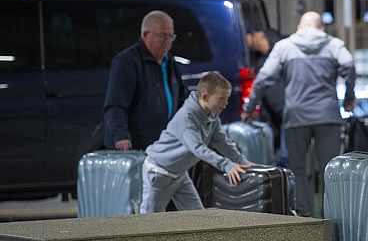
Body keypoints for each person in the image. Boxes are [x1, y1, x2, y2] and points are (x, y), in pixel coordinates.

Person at [242, 11, 356, 217]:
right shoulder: (334, 45)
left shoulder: (285, 46)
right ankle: (331, 216)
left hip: (296, 117)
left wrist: (249, 109)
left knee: (298, 169)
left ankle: (304, 216)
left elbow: (262, 80)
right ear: (321, 28)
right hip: (327, 116)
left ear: (298, 28)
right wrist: (349, 96)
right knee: (329, 170)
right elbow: (348, 65)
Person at [141, 72, 253, 213]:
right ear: (205, 97)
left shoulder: (211, 116)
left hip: (179, 174)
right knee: (149, 222)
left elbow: (222, 142)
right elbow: (198, 148)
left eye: (227, 99)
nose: (226, 104)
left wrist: (242, 161)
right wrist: (226, 165)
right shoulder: (186, 119)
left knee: (198, 216)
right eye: (222, 99)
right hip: (159, 173)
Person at [104, 10, 189, 151]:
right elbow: (116, 104)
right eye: (162, 36)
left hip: (163, 145)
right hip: (137, 146)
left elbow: (182, 98)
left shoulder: (170, 63)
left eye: (170, 36)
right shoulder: (127, 61)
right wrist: (121, 136)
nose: (167, 42)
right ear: (145, 35)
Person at [246, 28, 287, 165]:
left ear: (257, 35)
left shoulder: (281, 50)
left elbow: (261, 83)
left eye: (246, 36)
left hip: (287, 113)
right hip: (274, 117)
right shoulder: (256, 59)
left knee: (287, 157)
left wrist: (248, 109)